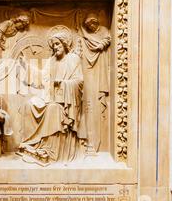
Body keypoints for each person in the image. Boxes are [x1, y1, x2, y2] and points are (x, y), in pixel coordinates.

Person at [18, 26, 86, 165]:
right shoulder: (52, 61)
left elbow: (79, 82)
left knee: (52, 109)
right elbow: (41, 77)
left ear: (64, 44)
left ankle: (51, 150)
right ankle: (34, 143)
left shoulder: (73, 59)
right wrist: (26, 65)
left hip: (66, 103)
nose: (55, 47)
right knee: (29, 104)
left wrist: (63, 83)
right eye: (53, 45)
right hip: (50, 97)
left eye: (57, 44)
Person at [78, 13, 111, 153]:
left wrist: (101, 44)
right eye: (88, 26)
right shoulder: (84, 38)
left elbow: (107, 40)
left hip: (99, 69)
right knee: (87, 104)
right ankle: (87, 141)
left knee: (95, 104)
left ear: (96, 22)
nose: (91, 27)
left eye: (92, 24)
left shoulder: (103, 31)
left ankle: (95, 143)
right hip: (87, 70)